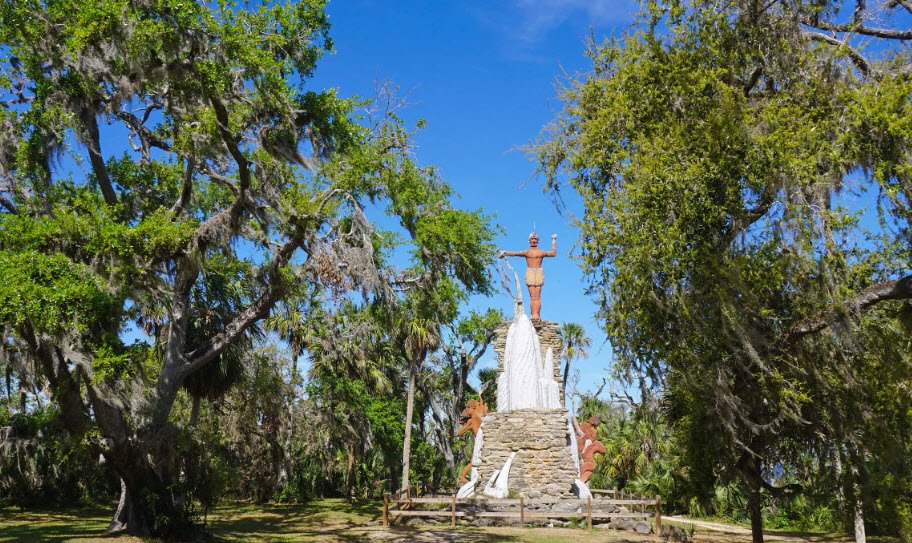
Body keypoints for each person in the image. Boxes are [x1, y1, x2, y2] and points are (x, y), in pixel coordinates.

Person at [498, 232, 557, 320]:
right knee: (533, 296)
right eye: (532, 239)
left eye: (535, 239)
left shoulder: (541, 252)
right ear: (529, 241)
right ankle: (534, 314)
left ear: (538, 241)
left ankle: (536, 315)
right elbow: (515, 253)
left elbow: (553, 253)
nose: (534, 240)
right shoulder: (527, 252)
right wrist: (505, 252)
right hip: (530, 273)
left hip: (538, 273)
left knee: (537, 296)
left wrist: (553, 240)